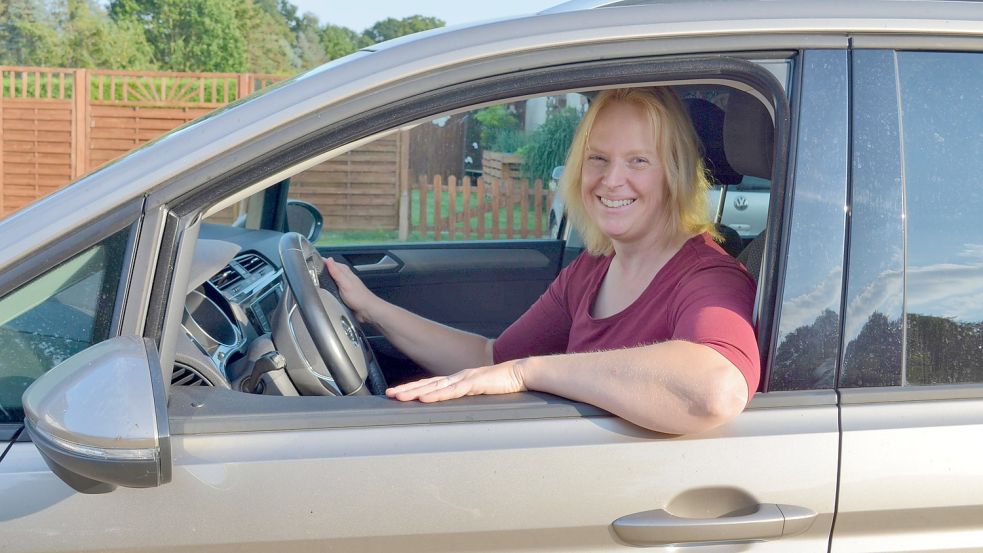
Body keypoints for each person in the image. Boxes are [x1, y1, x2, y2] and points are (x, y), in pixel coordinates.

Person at [325, 87, 760, 435]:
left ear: (675, 172)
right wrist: (371, 309)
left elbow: (715, 389)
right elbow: (488, 357)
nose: (611, 180)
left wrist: (530, 372)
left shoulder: (709, 276)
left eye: (639, 161)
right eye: (598, 159)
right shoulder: (593, 269)